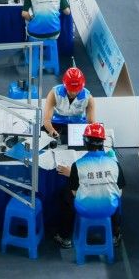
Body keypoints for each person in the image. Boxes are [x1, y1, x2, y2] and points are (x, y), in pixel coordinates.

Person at [53, 122, 124, 250]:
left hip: (85, 209)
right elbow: (119, 191)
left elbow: (74, 193)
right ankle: (115, 235)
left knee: (65, 193)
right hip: (109, 209)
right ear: (103, 142)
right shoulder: (114, 163)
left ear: (85, 142)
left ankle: (65, 237)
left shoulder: (78, 165)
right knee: (112, 195)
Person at [43, 67, 96, 140]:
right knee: (42, 136)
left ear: (81, 87)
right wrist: (52, 131)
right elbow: (47, 120)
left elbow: (91, 122)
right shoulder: (54, 93)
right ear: (65, 85)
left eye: (76, 90)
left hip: (78, 125)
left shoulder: (88, 98)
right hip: (57, 124)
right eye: (71, 90)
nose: (73, 93)